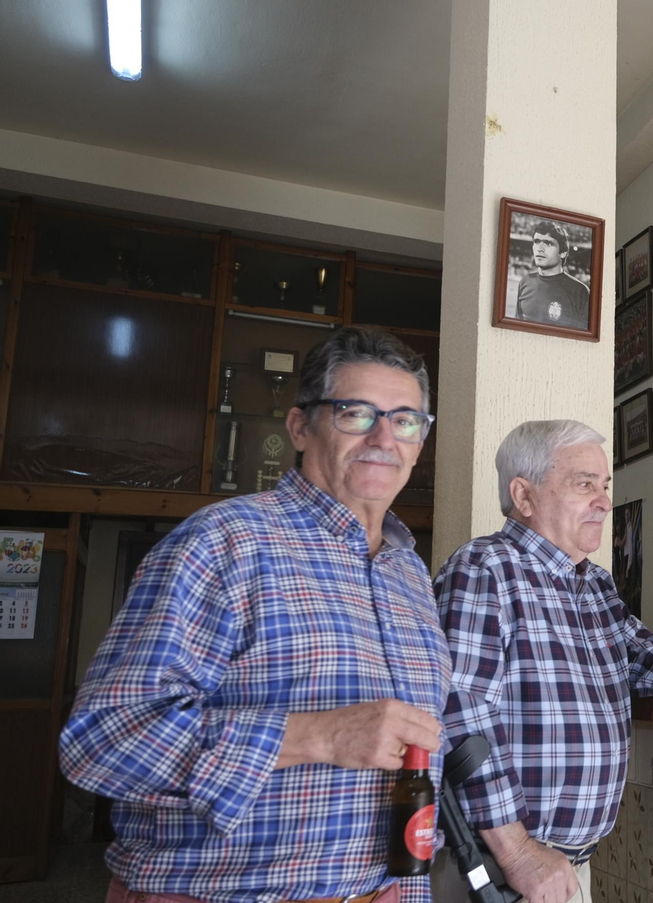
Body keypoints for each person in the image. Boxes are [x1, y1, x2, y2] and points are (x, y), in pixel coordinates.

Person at [60, 326, 447, 903]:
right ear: (300, 427)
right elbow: (103, 741)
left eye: (405, 420)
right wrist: (317, 736)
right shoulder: (224, 541)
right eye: (355, 413)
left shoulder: (408, 572)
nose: (383, 437)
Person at [436, 420, 653, 903]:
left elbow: (645, 658)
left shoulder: (594, 583)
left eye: (604, 485)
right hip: (495, 866)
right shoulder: (485, 568)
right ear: (523, 496)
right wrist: (517, 853)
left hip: (561, 866)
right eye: (585, 484)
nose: (605, 501)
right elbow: (459, 715)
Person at [515, 220, 590, 330]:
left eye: (548, 243)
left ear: (563, 253)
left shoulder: (580, 291)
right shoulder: (525, 282)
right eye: (536, 242)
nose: (539, 248)